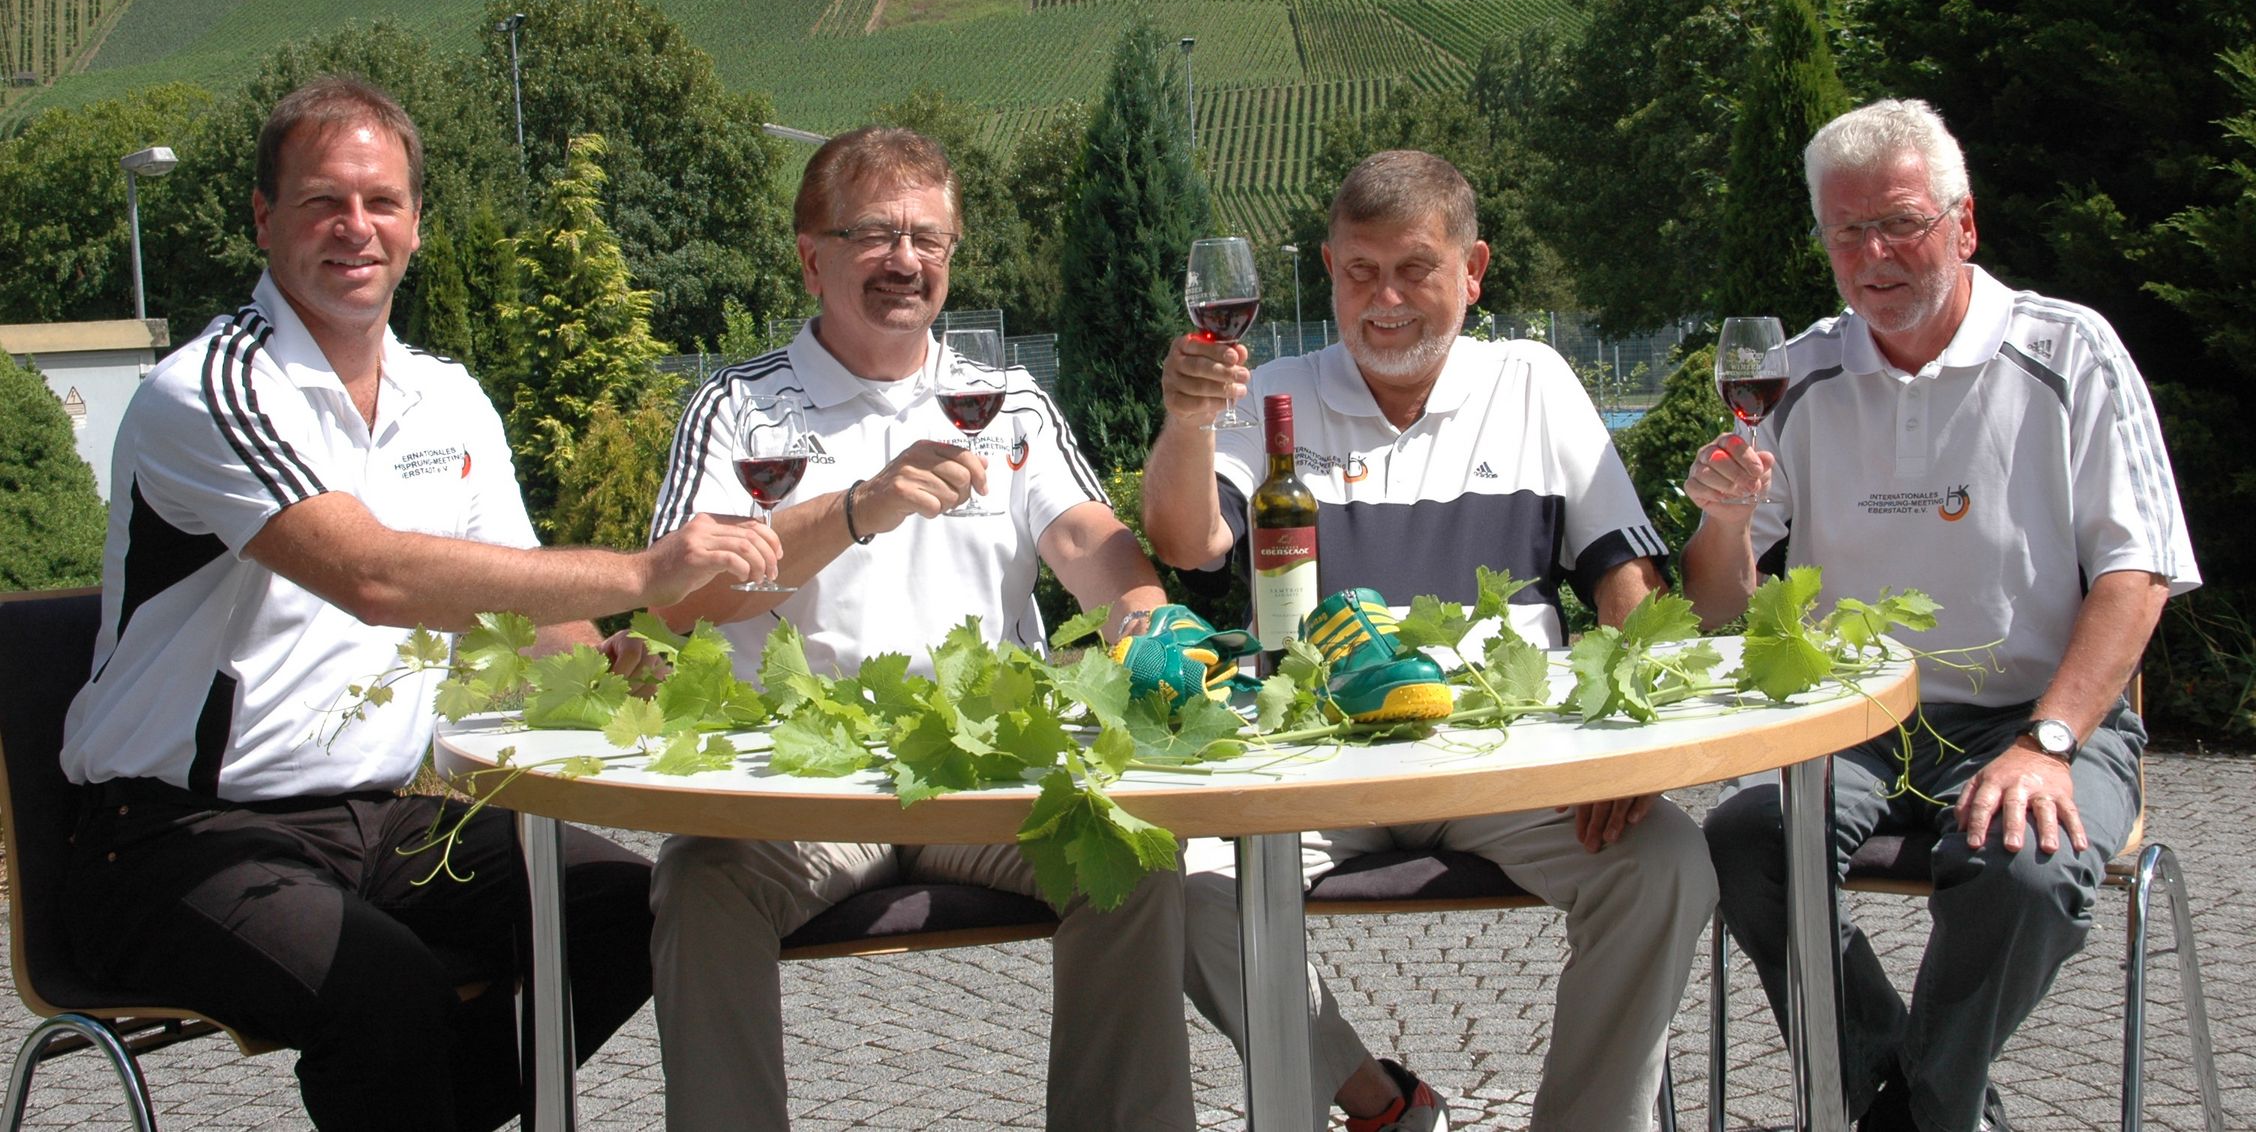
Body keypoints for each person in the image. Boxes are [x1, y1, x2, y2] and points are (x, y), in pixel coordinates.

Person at [57, 76, 782, 1132]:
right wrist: (642, 574)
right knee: (384, 993)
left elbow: (518, 604)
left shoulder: (448, 397)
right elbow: (372, 578)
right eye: (323, 201)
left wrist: (610, 669)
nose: (356, 227)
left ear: (415, 223)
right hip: (179, 836)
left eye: (381, 202)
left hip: (393, 815)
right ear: (263, 218)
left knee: (631, 910)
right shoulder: (211, 388)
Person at [1141, 148, 1716, 1132]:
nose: (1386, 300)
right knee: (1183, 891)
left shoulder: (1533, 381)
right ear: (1330, 269)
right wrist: (1189, 424)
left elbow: (1627, 581)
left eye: (1415, 269)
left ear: (1473, 270)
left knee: (1667, 865)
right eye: (1361, 272)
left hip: (1505, 754)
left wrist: (1631, 743)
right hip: (1318, 761)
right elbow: (1186, 543)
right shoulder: (1273, 389)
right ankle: (1383, 1106)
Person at [638, 125, 1193, 1132]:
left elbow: (1086, 540)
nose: (906, 260)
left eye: (929, 239)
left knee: (1135, 862)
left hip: (985, 774)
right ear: (811, 256)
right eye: (874, 234)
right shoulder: (737, 408)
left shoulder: (1006, 402)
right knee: (700, 878)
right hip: (800, 784)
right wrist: (857, 508)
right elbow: (680, 603)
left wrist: (1146, 621)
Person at [1682, 99, 2200, 1132]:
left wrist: (2050, 744)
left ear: (1964, 224)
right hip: (1855, 723)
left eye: (1900, 223)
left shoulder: (2069, 351)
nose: (1873, 255)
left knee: (2027, 868)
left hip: (2036, 719)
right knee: (1747, 841)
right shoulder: (1800, 374)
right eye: (1846, 232)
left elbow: (2138, 571)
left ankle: (1917, 1113)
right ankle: (1916, 1097)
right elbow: (1715, 607)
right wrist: (1726, 521)